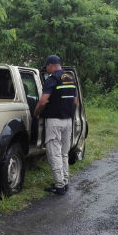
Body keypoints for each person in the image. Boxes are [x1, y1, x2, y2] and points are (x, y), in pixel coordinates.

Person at [34, 55, 78, 196]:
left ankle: (59, 186)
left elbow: (42, 101)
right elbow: (75, 102)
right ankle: (64, 182)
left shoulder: (52, 79)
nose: (47, 69)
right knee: (64, 153)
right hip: (68, 121)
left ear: (52, 65)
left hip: (54, 121)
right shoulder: (70, 78)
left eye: (47, 67)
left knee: (54, 153)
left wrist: (36, 113)